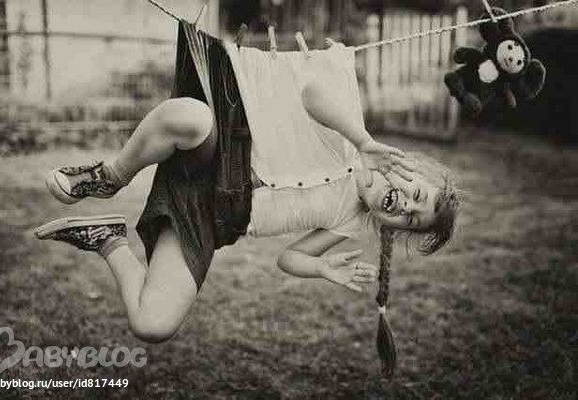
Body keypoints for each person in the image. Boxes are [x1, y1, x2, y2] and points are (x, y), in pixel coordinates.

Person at [35, 21, 459, 378]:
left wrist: (321, 267)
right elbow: (312, 93)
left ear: (395, 229)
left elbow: (289, 259)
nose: (407, 206)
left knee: (153, 323)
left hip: (208, 219)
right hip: (218, 156)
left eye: (412, 219)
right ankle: (111, 177)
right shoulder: (351, 140)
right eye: (417, 195)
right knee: (188, 114)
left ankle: (107, 238)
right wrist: (362, 141)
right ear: (412, 167)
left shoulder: (348, 222)